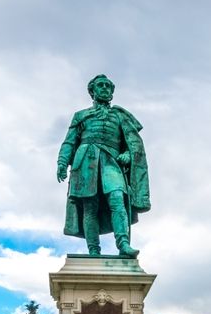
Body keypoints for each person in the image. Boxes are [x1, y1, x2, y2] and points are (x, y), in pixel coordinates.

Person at [57, 74, 150, 257]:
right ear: (92, 91)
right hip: (85, 161)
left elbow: (132, 144)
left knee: (117, 199)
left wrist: (127, 155)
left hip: (111, 162)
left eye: (108, 86)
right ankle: (93, 249)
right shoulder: (81, 116)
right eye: (101, 85)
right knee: (89, 206)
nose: (105, 89)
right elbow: (69, 142)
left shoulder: (119, 115)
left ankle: (123, 244)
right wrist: (62, 162)